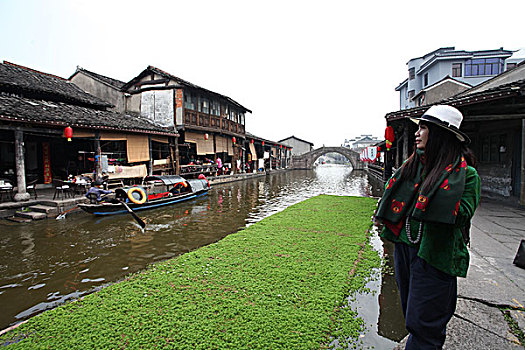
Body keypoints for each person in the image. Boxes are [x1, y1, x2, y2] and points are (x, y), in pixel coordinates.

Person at [374, 105, 481, 349]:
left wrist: (431, 197)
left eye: (423, 128)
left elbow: (462, 214)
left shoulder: (466, 176)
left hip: (436, 255)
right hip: (404, 249)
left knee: (426, 325)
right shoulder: (411, 169)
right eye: (418, 127)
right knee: (410, 313)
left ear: (441, 134)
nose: (416, 133)